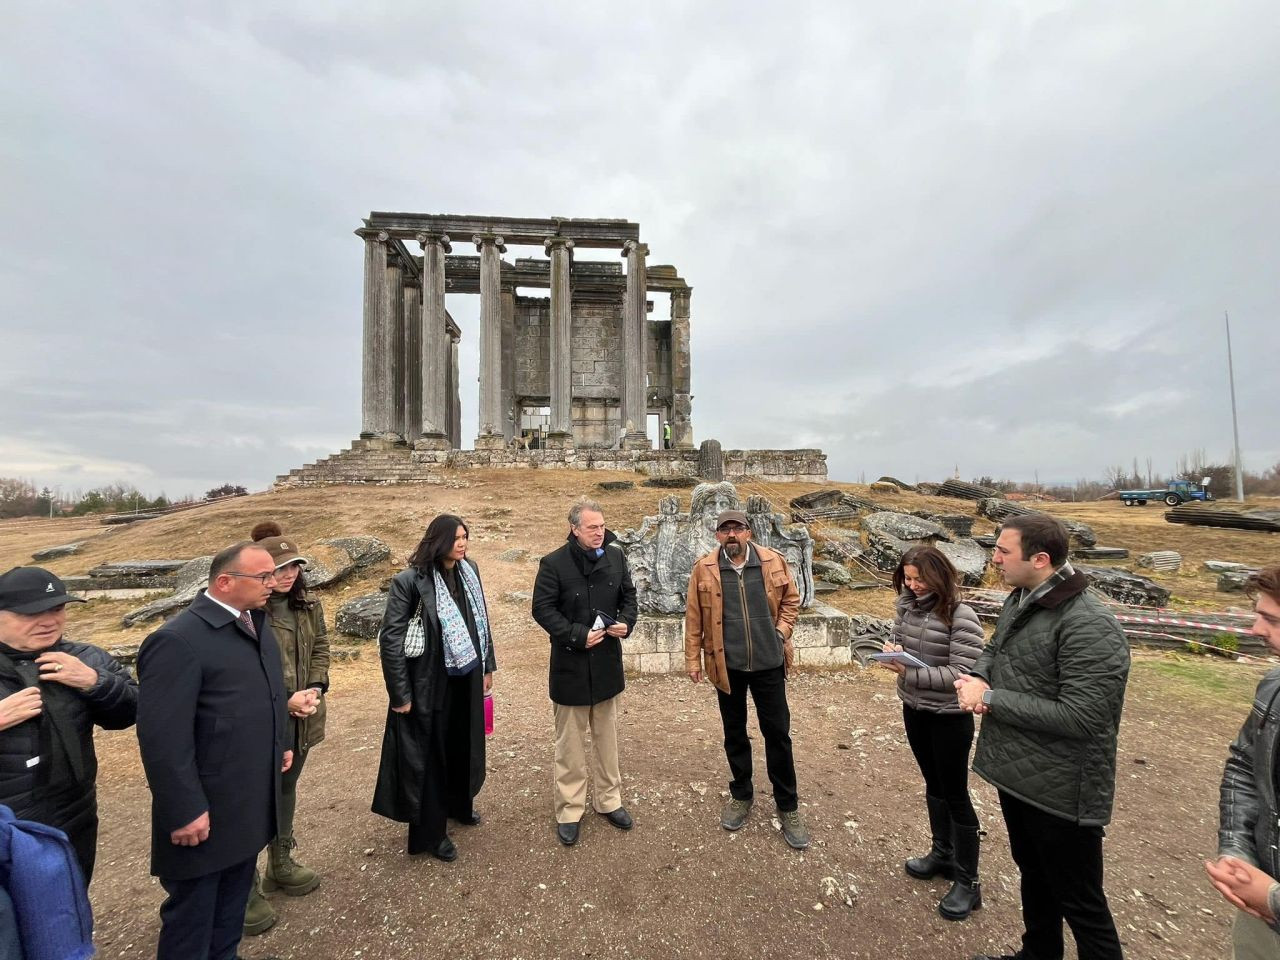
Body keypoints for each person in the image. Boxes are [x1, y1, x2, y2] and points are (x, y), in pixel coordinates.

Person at [956, 514, 1130, 960]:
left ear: (1040, 559)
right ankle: (1038, 953)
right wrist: (976, 676)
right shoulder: (1023, 597)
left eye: (1002, 551)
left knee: (1082, 903)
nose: (993, 559)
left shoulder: (1090, 622)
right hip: (1021, 775)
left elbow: (1084, 716)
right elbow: (996, 649)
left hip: (1064, 789)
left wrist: (990, 697)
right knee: (1033, 872)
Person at [137, 542, 290, 960]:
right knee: (194, 916)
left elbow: (272, 693)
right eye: (263, 577)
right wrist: (184, 808)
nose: (273, 584)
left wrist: (284, 744)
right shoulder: (177, 640)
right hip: (206, 806)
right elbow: (162, 737)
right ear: (224, 582)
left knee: (231, 906)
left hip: (246, 798)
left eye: (272, 575)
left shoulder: (254, 623)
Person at [0, 566, 137, 884]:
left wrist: (94, 682)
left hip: (76, 817)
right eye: (30, 612)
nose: (49, 621)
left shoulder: (86, 658)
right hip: (7, 827)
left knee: (69, 911)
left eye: (57, 608)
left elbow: (131, 713)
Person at [372, 515, 495, 862]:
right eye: (455, 537)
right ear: (437, 540)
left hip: (466, 677)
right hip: (429, 683)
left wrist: (488, 666)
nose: (462, 543)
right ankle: (431, 833)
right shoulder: (410, 581)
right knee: (430, 756)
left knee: (462, 744)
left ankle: (459, 804)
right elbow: (391, 640)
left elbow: (481, 620)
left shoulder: (469, 572)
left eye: (465, 536)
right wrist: (400, 694)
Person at [683, 509, 808, 849]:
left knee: (778, 734)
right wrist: (692, 658)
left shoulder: (773, 561)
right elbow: (693, 617)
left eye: (738, 528)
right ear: (717, 535)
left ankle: (788, 806)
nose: (732, 535)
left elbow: (791, 601)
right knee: (734, 733)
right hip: (728, 667)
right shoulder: (704, 569)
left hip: (768, 664)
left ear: (749, 533)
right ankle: (741, 794)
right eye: (726, 530)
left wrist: (780, 633)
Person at [880, 546, 985, 919]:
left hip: (949, 716)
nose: (913, 585)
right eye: (907, 578)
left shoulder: (962, 615)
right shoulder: (906, 608)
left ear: (939, 575)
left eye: (919, 578)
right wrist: (892, 652)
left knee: (955, 792)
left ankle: (969, 881)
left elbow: (963, 674)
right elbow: (900, 646)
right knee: (933, 785)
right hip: (915, 708)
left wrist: (909, 672)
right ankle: (943, 853)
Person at [240, 522, 329, 937]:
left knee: (287, 788)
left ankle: (280, 862)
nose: (289, 573)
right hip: (264, 722)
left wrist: (314, 687)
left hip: (303, 717)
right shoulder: (247, 615)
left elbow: (321, 648)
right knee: (253, 797)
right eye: (280, 567)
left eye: (294, 565)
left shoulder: (308, 606)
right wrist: (284, 699)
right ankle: (243, 886)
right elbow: (241, 673)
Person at [532, 497, 637, 846]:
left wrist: (626, 622)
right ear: (575, 528)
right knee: (571, 746)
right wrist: (577, 635)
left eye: (602, 526)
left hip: (607, 664)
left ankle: (609, 801)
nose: (599, 532)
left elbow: (629, 597)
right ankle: (570, 810)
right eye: (592, 527)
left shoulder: (617, 556)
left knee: (608, 741)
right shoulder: (553, 564)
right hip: (570, 666)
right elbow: (542, 610)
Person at [1207, 565, 1280, 958]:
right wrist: (1236, 851)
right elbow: (1243, 765)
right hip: (1257, 904)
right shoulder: (1274, 686)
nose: (1255, 630)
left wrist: (1273, 897)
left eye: (1270, 619)